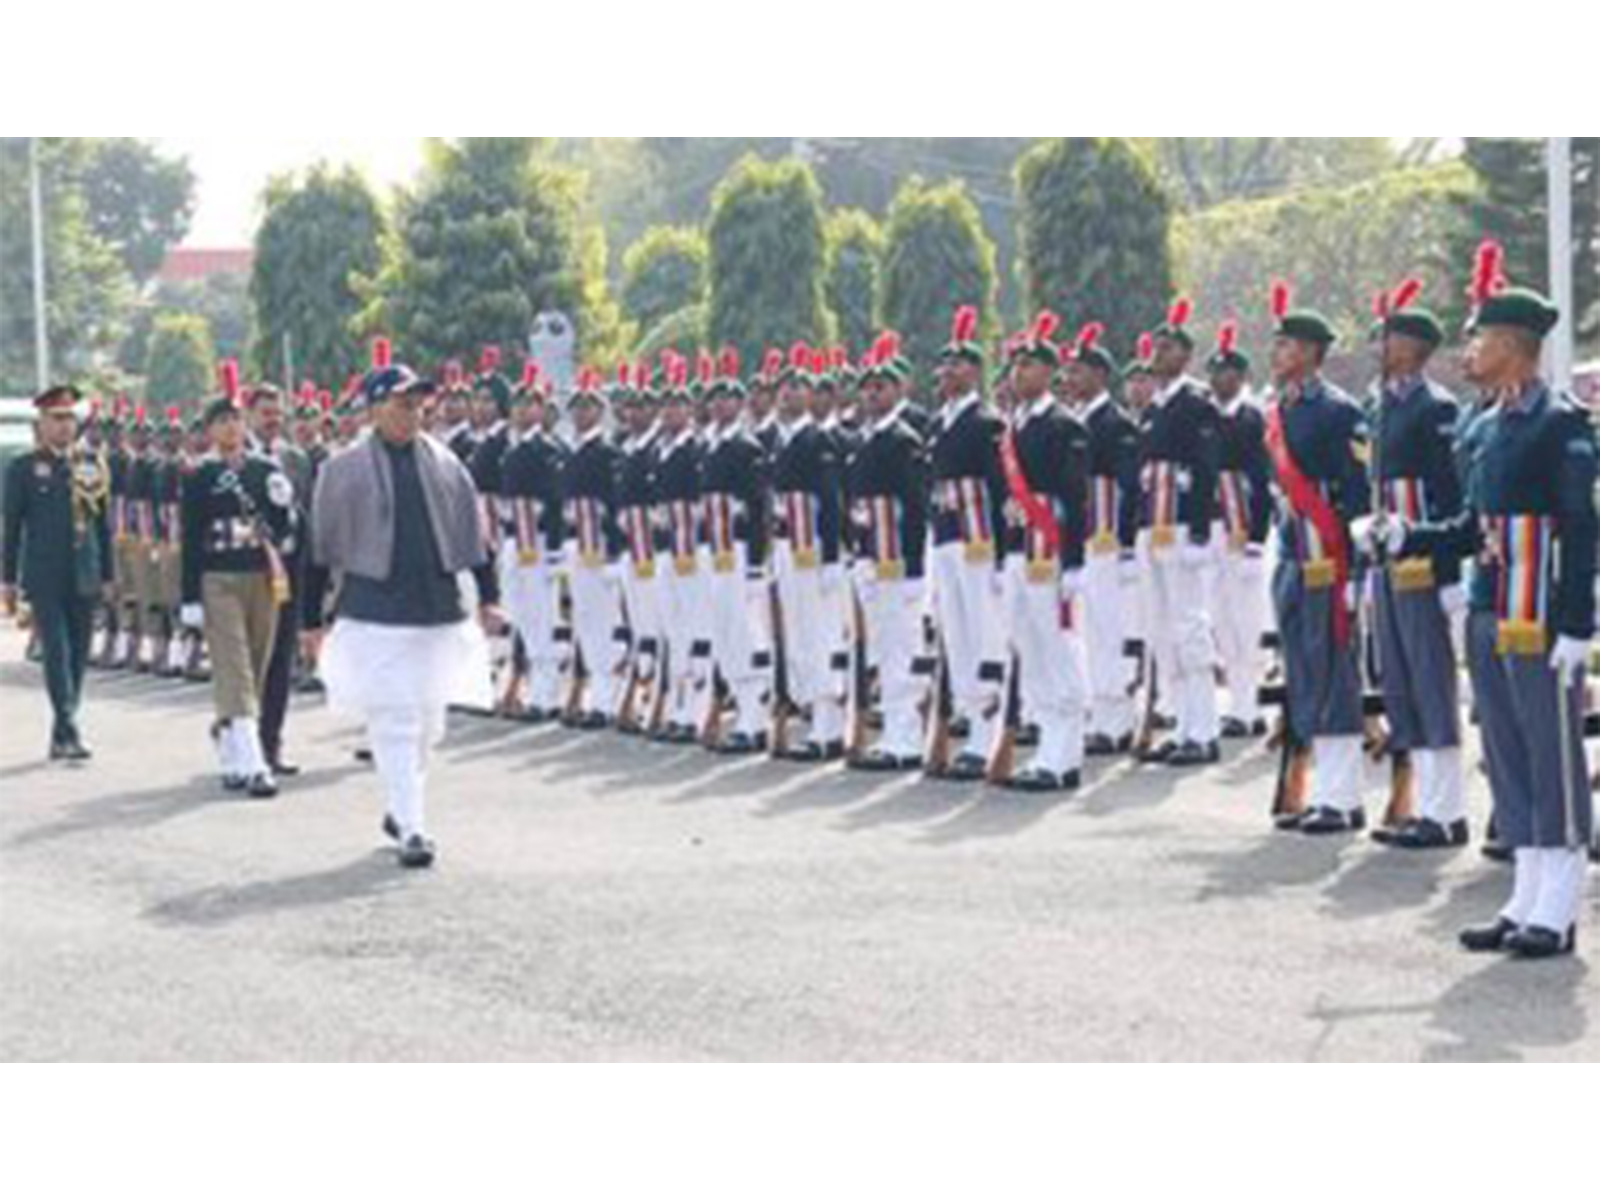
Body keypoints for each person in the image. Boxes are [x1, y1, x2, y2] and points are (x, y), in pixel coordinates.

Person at [1391, 245, 1594, 958]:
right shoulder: (1483, 426)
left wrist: (1577, 623)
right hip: (1488, 604)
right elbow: (1469, 527)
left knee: (1552, 755)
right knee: (1506, 751)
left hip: (1537, 612)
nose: (1468, 348)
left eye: (1478, 337)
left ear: (1513, 346)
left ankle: (1559, 907)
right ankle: (1525, 898)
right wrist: (1405, 535)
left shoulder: (1560, 424)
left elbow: (1581, 529)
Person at [309, 359, 500, 869]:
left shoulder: (445, 463)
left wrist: (489, 596)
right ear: (375, 408)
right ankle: (414, 828)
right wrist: (311, 619)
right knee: (394, 716)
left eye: (419, 403)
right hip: (375, 610)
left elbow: (475, 536)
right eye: (401, 403)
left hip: (436, 608)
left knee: (427, 724)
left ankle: (401, 806)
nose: (413, 412)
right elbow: (319, 549)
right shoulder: (342, 470)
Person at [1355, 280, 1470, 850]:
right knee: (1399, 683)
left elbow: (1451, 499)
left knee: (1430, 682)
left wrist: (1447, 572)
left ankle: (1447, 810)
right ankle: (1424, 803)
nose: (1382, 348)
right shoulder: (1378, 404)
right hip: (1387, 561)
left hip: (1423, 562)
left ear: (1419, 348)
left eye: (1392, 340)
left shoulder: (1436, 408)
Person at [1262, 282, 1371, 834]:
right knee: (1303, 673)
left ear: (1308, 351)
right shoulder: (1277, 410)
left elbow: (1356, 493)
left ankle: (1343, 796)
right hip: (1291, 556)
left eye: (1285, 345)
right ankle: (1317, 790)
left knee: (1333, 674)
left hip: (1330, 559)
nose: (1277, 353)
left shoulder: (1338, 412)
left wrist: (1354, 571)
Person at [181, 381, 297, 799]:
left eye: (234, 419)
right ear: (209, 430)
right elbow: (190, 539)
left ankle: (228, 737)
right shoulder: (200, 477)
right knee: (235, 666)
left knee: (257, 665)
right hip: (218, 577)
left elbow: (286, 522)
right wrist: (190, 596)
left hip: (260, 574)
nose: (230, 427)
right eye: (221, 421)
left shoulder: (264, 470)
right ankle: (254, 763)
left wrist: (281, 530)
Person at [993, 315, 1090, 791]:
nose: (1018, 373)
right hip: (1017, 549)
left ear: (1049, 372)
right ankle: (1049, 746)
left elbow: (1076, 498)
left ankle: (1063, 752)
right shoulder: (1013, 426)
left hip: (1049, 552)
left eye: (1028, 365)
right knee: (1030, 648)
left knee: (1056, 649)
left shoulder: (1061, 425)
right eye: (1015, 365)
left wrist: (1074, 562)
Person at [2, 385, 113, 760]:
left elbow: (103, 526)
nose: (65, 427)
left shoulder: (90, 464)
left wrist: (109, 575)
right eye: (57, 419)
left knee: (80, 651)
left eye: (70, 418)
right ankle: (68, 727)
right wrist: (8, 579)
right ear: (42, 423)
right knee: (57, 651)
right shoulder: (24, 468)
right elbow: (12, 527)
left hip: (84, 571)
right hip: (44, 573)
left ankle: (62, 729)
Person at [1136, 298, 1223, 767]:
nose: (1158, 353)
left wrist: (1198, 532)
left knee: (1190, 628)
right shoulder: (1153, 406)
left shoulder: (1195, 402)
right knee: (1164, 631)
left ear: (1185, 356)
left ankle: (1204, 729)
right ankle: (1181, 722)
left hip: (1181, 527)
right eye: (1157, 345)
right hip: (1154, 526)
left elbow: (1207, 468)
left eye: (1168, 347)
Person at [926, 307, 1008, 779]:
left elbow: (997, 491)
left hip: (978, 540)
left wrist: (999, 554)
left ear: (975, 372)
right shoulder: (940, 423)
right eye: (944, 364)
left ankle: (989, 735)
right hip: (947, 537)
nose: (948, 372)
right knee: (957, 638)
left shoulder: (985, 421)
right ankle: (973, 724)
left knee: (983, 636)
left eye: (958, 364)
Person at [845, 334, 930, 770]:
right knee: (884, 650)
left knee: (901, 651)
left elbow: (916, 507)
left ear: (899, 390)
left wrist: (916, 569)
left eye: (881, 386)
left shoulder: (903, 439)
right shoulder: (865, 437)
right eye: (868, 387)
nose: (872, 393)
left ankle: (906, 738)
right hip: (871, 558)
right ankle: (895, 732)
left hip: (898, 561)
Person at [1061, 324, 1142, 755]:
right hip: (1082, 543)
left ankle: (1116, 718)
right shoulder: (1072, 422)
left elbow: (1131, 487)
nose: (1069, 381)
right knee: (1089, 632)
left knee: (1110, 632)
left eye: (1077, 373)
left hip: (1108, 544)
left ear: (1098, 376)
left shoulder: (1115, 424)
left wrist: (1128, 545)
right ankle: (1098, 711)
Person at [769, 344, 848, 761]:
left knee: (819, 635)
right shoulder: (779, 440)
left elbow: (831, 501)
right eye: (784, 388)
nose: (788, 394)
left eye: (797, 387)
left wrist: (832, 557)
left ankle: (828, 726)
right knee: (798, 637)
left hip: (812, 547)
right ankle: (813, 718)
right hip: (786, 547)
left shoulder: (818, 438)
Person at [699, 349, 772, 752]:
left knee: (745, 636)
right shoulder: (711, 447)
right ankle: (742, 712)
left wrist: (756, 564)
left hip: (740, 552)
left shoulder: (746, 447)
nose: (719, 404)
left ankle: (753, 718)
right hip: (716, 552)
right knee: (725, 635)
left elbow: (760, 507)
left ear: (740, 404)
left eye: (727, 398)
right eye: (715, 398)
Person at [1206, 322, 1274, 740]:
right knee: (1220, 618)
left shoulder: (1252, 419)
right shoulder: (1208, 416)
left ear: (1243, 379)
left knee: (1245, 618)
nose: (1218, 381)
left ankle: (1250, 705)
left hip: (1241, 523)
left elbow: (1262, 483)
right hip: (1214, 523)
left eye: (1227, 374)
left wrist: (1255, 542)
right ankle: (1236, 700)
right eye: (1214, 373)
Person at [245, 382, 314, 776]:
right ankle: (242, 739)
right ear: (250, 415)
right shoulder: (238, 459)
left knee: (281, 658)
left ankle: (271, 743)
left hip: (287, 571)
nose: (273, 420)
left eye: (277, 413)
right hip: (247, 571)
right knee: (253, 659)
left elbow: (303, 516)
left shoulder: (296, 459)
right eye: (265, 413)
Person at [498, 365, 568, 722]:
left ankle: (546, 694)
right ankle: (531, 689)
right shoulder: (512, 447)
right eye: (520, 404)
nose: (525, 410)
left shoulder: (546, 449)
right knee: (522, 617)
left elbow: (556, 503)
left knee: (542, 618)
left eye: (532, 404)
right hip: (515, 538)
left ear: (543, 409)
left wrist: (555, 550)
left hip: (538, 541)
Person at [562, 368, 628, 727]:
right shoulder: (574, 450)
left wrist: (615, 553)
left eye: (588, 408)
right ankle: (594, 694)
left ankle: (606, 699)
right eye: (577, 408)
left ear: (600, 412)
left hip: (599, 545)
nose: (581, 414)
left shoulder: (606, 452)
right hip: (577, 543)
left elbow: (615, 505)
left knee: (604, 622)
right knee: (585, 621)